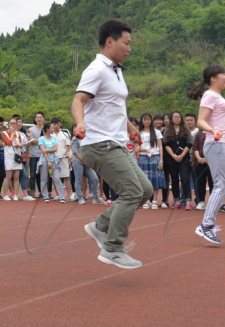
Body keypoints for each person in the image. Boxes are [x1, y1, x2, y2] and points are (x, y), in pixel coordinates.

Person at [71, 19, 152, 269]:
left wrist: (131, 129)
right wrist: (80, 124)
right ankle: (112, 248)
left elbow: (115, 106)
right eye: (126, 43)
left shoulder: (116, 70)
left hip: (117, 142)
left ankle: (100, 226)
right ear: (110, 42)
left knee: (145, 191)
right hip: (99, 144)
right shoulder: (96, 69)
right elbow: (78, 101)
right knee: (131, 192)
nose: (129, 48)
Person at [191, 65, 225, 244]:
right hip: (216, 143)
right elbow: (200, 121)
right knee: (220, 184)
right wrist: (213, 130)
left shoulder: (217, 96)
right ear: (213, 78)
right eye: (223, 74)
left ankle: (207, 225)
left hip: (223, 143)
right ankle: (206, 226)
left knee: (222, 184)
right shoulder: (210, 95)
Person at [162, 111, 191, 210]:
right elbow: (166, 145)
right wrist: (174, 156)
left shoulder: (186, 129)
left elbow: (189, 143)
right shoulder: (167, 131)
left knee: (184, 179)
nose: (176, 119)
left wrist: (182, 155)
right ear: (171, 119)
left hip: (184, 158)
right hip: (171, 158)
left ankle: (188, 201)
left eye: (178, 117)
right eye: (174, 117)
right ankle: (176, 200)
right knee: (174, 179)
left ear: (181, 118)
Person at [136, 113, 162, 209]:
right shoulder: (139, 132)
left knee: (155, 178)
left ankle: (154, 200)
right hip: (143, 157)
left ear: (151, 121)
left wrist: (161, 160)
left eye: (148, 119)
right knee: (144, 179)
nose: (146, 121)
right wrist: (145, 150)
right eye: (144, 119)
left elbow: (160, 146)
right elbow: (137, 147)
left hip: (155, 156)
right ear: (142, 121)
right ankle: (146, 200)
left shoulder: (156, 132)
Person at [1, 115, 29, 201]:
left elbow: (20, 144)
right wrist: (12, 134)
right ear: (8, 124)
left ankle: (16, 194)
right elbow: (8, 142)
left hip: (17, 156)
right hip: (9, 156)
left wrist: (21, 145)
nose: (13, 125)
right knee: (9, 177)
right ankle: (6, 194)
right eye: (11, 123)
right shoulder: (4, 133)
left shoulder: (19, 134)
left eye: (14, 123)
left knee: (16, 176)